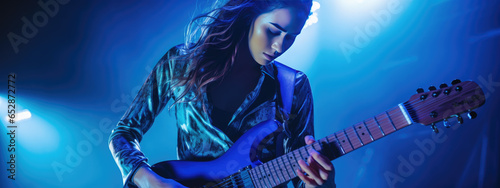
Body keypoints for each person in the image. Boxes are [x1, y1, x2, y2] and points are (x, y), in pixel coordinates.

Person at [108, 0, 335, 187]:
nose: (279, 46)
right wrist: (150, 181)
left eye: (291, 37)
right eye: (273, 31)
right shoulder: (180, 63)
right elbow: (124, 133)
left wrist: (322, 184)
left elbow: (300, 175)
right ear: (249, 16)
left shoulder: (293, 85)